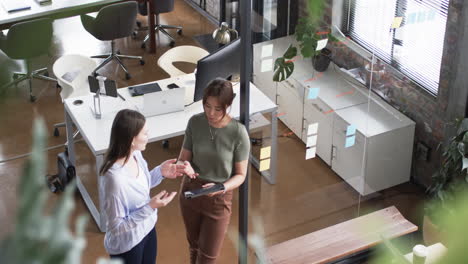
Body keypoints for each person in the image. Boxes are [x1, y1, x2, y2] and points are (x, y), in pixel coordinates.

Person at [178, 78, 251, 264]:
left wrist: (222, 187)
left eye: (217, 109)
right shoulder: (195, 122)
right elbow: (182, 159)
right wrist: (184, 167)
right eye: (207, 106)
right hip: (191, 191)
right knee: (193, 247)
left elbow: (241, 175)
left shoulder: (238, 133)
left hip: (218, 198)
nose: (211, 113)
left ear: (228, 105)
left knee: (208, 257)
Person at [99, 109, 186, 264]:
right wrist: (150, 207)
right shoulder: (114, 179)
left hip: (147, 227)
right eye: (145, 133)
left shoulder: (136, 154)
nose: (148, 137)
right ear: (132, 139)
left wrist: (160, 172)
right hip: (128, 244)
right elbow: (116, 228)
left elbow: (139, 188)